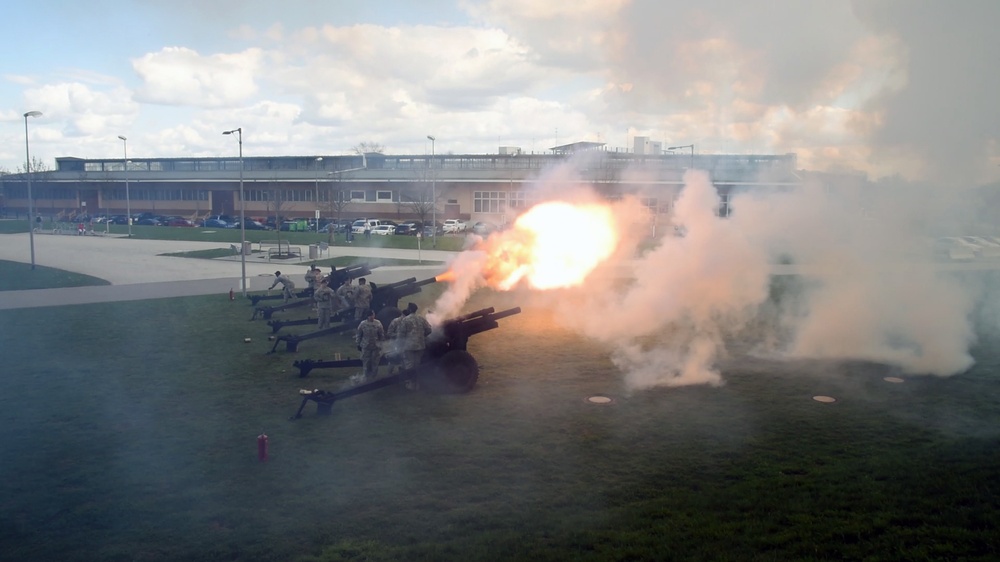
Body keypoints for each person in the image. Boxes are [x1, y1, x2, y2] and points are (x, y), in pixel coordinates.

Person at [397, 302, 432, 388]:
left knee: (409, 365)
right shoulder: (421, 318)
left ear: (409, 309)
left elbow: (401, 334)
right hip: (420, 345)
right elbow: (429, 329)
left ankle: (410, 384)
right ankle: (417, 384)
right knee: (417, 364)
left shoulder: (405, 320)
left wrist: (399, 344)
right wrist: (423, 336)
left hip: (409, 346)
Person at [355, 309, 385, 381]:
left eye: (373, 315)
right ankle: (366, 376)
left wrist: (381, 344)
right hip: (366, 346)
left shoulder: (378, 323)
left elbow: (381, 334)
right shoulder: (363, 324)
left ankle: (373, 377)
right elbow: (359, 334)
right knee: (366, 362)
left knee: (375, 362)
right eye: (371, 315)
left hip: (375, 346)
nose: (372, 317)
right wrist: (358, 344)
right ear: (368, 316)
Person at [384, 307, 409, 375]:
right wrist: (398, 335)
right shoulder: (395, 321)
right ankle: (389, 374)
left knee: (404, 360)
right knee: (392, 361)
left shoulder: (407, 322)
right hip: (395, 344)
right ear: (403, 315)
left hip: (404, 345)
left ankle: (403, 374)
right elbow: (389, 333)